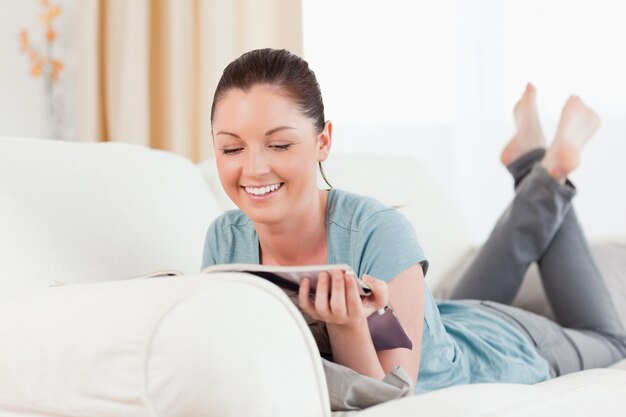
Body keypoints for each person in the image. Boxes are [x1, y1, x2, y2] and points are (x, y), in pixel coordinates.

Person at [202, 48, 626, 394]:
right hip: (445, 320)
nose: (254, 169)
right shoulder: (225, 242)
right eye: (231, 149)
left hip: (500, 345)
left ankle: (547, 172)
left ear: (323, 141)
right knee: (442, 318)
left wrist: (349, 324)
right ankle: (531, 162)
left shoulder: (378, 231)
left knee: (611, 341)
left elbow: (393, 396)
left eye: (278, 144)